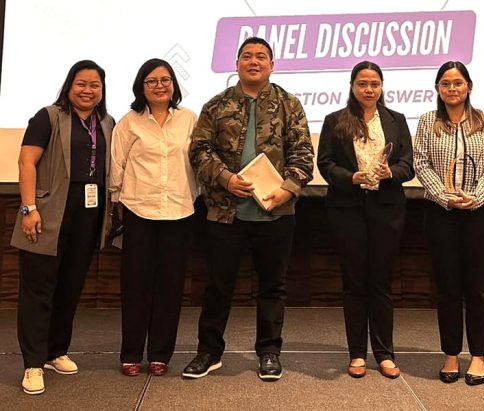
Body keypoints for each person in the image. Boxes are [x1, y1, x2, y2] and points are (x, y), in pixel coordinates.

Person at [183, 36, 314, 381]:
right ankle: (209, 352)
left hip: (275, 214)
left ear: (272, 65)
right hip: (226, 212)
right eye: (246, 56)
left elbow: (303, 154)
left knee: (273, 286)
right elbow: (199, 151)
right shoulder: (216, 105)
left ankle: (269, 352)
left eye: (260, 57)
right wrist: (225, 179)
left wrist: (289, 189)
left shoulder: (289, 104)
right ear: (237, 64)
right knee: (218, 285)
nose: (253, 62)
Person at [11, 60, 114, 394]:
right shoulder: (48, 117)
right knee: (38, 289)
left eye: (94, 85)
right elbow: (27, 162)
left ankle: (56, 351)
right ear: (69, 86)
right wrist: (29, 208)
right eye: (81, 84)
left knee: (70, 285)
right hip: (47, 213)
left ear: (102, 90)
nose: (88, 90)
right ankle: (32, 363)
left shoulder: (106, 122)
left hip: (88, 214)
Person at [317, 61, 414, 379]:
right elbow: (326, 163)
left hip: (387, 208)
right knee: (355, 283)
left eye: (374, 83)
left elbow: (408, 165)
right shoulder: (335, 120)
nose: (368, 89)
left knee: (382, 283)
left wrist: (391, 174)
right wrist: (352, 177)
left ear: (382, 86)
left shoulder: (396, 120)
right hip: (347, 209)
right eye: (362, 84)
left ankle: (385, 354)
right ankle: (357, 353)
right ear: (352, 86)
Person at [413, 61, 484, 386]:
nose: (452, 89)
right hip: (442, 213)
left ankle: (478, 356)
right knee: (448, 287)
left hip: (480, 213)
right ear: (438, 88)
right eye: (446, 84)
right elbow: (420, 162)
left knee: (478, 288)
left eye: (458, 83)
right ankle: (451, 353)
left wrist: (476, 196)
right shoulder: (427, 121)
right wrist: (444, 196)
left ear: (469, 86)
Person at [109, 59, 198, 377]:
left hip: (179, 210)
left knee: (170, 286)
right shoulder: (129, 122)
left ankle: (160, 353)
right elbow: (116, 167)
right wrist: (117, 206)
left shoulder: (188, 119)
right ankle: (131, 353)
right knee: (136, 285)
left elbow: (198, 163)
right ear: (140, 87)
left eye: (165, 79)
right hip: (139, 210)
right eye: (151, 81)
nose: (159, 85)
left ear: (174, 84)